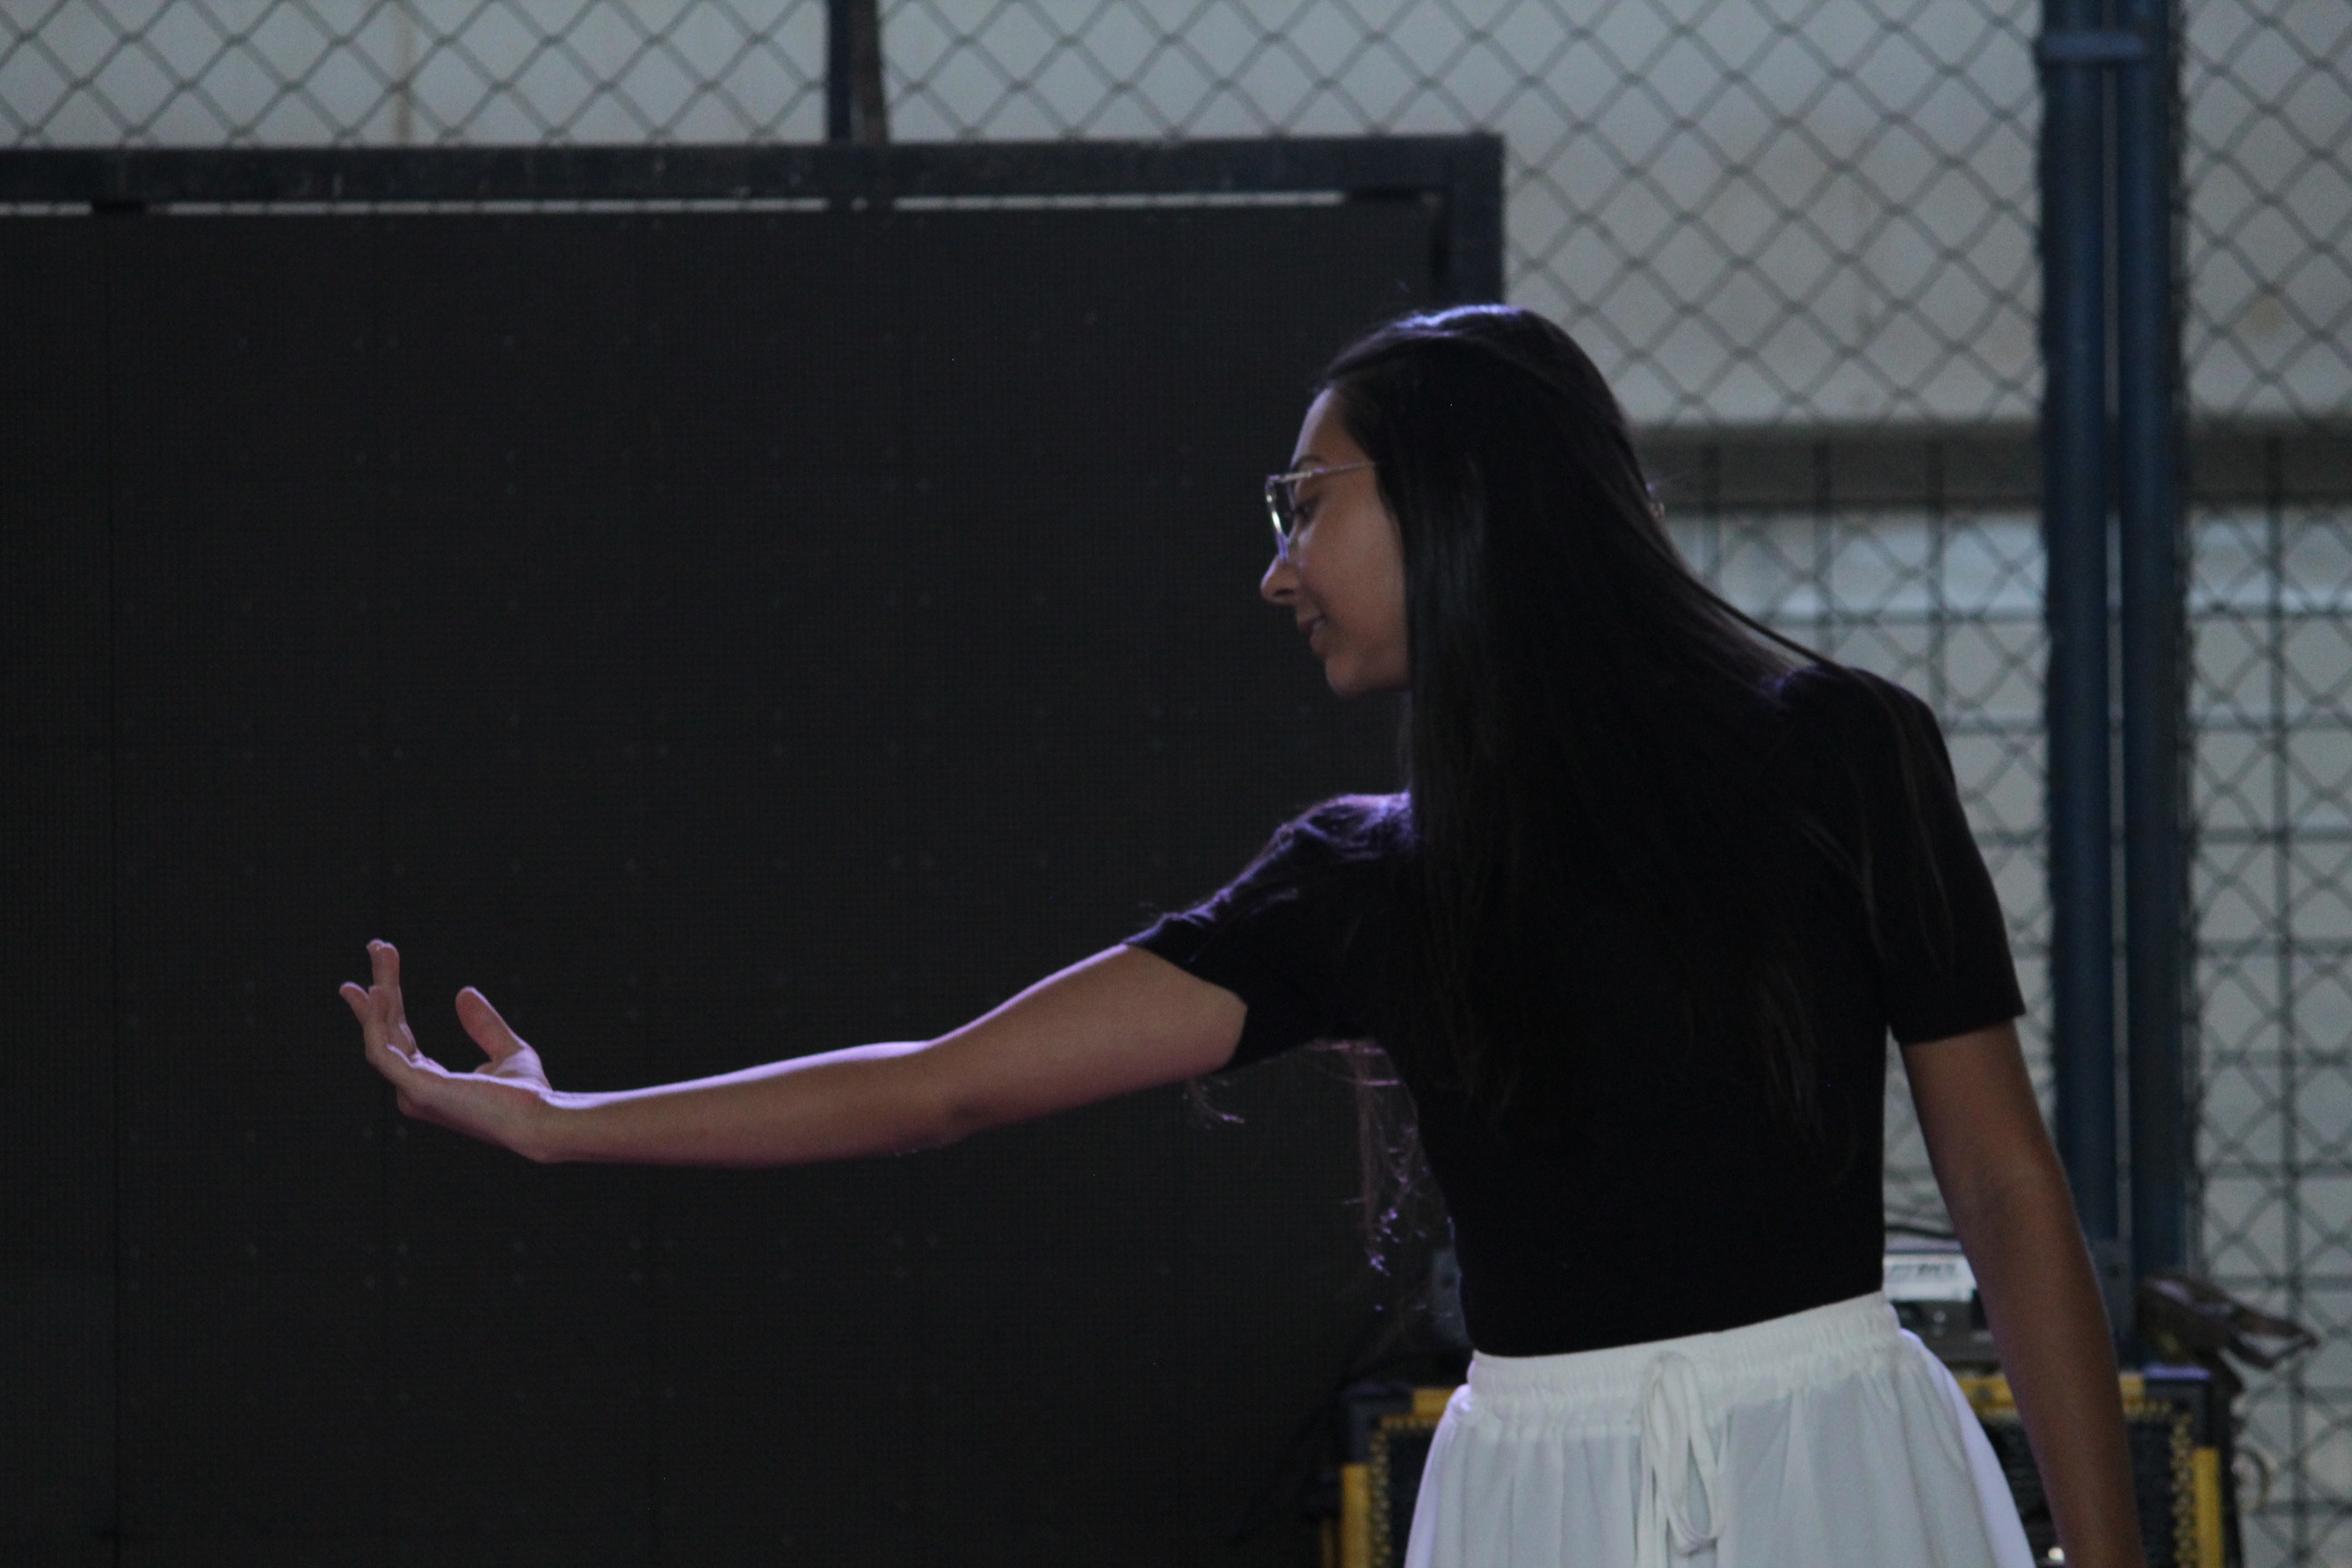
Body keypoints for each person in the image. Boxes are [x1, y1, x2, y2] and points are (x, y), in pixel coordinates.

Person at [342, 305, 2146, 1568]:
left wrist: (2106, 1550)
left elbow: (2002, 1187)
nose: (1277, 566)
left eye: (1306, 502)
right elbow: (942, 1087)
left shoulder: (1843, 749)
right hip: (1533, 1501)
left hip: (1847, 1468)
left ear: (1461, 496)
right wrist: (567, 1125)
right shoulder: (1359, 878)